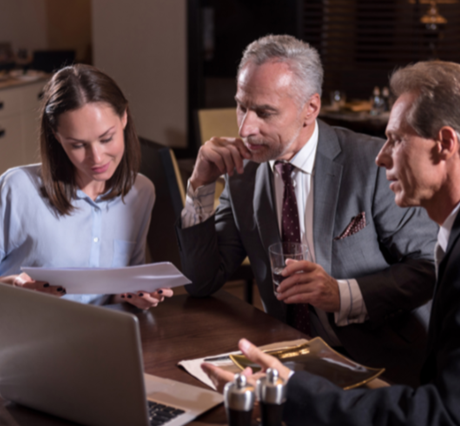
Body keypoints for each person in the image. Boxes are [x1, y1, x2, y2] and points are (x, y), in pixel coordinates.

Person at [203, 60, 460, 425]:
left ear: (445, 144)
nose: (381, 156)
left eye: (396, 140)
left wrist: (291, 392)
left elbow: (447, 417)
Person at [176, 35, 437, 385]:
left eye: (265, 112)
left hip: (380, 362)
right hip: (289, 358)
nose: (245, 128)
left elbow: (429, 268)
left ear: (310, 108)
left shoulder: (372, 164)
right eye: (241, 106)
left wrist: (342, 295)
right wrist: (199, 187)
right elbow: (201, 281)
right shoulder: (243, 172)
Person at [0, 64, 173, 318]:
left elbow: (122, 286)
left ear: (124, 118)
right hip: (21, 338)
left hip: (99, 336)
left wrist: (133, 295)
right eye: (78, 145)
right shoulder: (18, 188)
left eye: (106, 138)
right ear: (56, 135)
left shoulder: (141, 192)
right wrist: (11, 287)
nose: (96, 157)